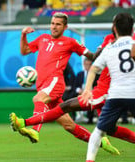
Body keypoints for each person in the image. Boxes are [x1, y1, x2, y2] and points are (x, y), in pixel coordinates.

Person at [10, 12, 120, 154]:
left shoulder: (70, 42)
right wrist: (23, 35)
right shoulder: (43, 39)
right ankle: (101, 142)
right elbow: (24, 51)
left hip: (55, 82)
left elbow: (92, 56)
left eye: (58, 24)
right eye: (52, 23)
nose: (54, 27)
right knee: (69, 125)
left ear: (65, 27)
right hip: (43, 85)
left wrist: (103, 48)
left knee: (37, 99)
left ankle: (34, 130)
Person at [83, 12, 135, 162]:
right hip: (133, 93)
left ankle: (89, 160)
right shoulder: (133, 45)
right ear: (132, 29)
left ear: (115, 29)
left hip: (115, 95)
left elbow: (93, 69)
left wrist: (87, 90)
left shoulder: (109, 48)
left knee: (99, 131)